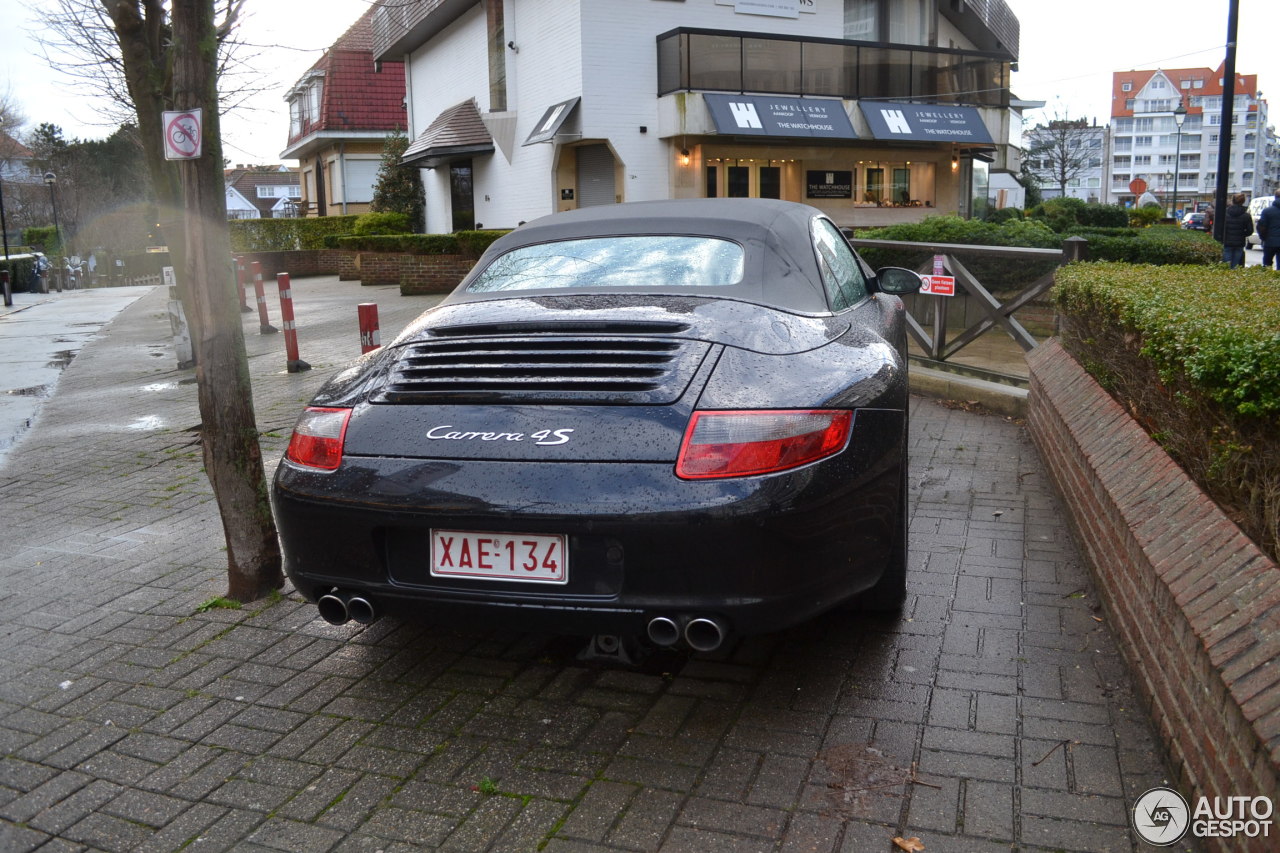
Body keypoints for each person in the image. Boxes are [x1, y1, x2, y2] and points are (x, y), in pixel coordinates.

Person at [1220, 193, 1254, 268]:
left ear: (1232, 201)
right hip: (1239, 242)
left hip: (1227, 241)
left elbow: (1221, 227)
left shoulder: (1225, 213)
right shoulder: (1246, 215)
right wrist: (1242, 234)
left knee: (1226, 265)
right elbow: (1250, 230)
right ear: (1243, 201)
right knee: (1235, 265)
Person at [1259, 190, 1280, 270]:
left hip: (1269, 241)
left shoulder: (1267, 211)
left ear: (1275, 197)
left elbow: (1262, 227)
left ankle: (1267, 279)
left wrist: (1263, 237)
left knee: (1267, 263)